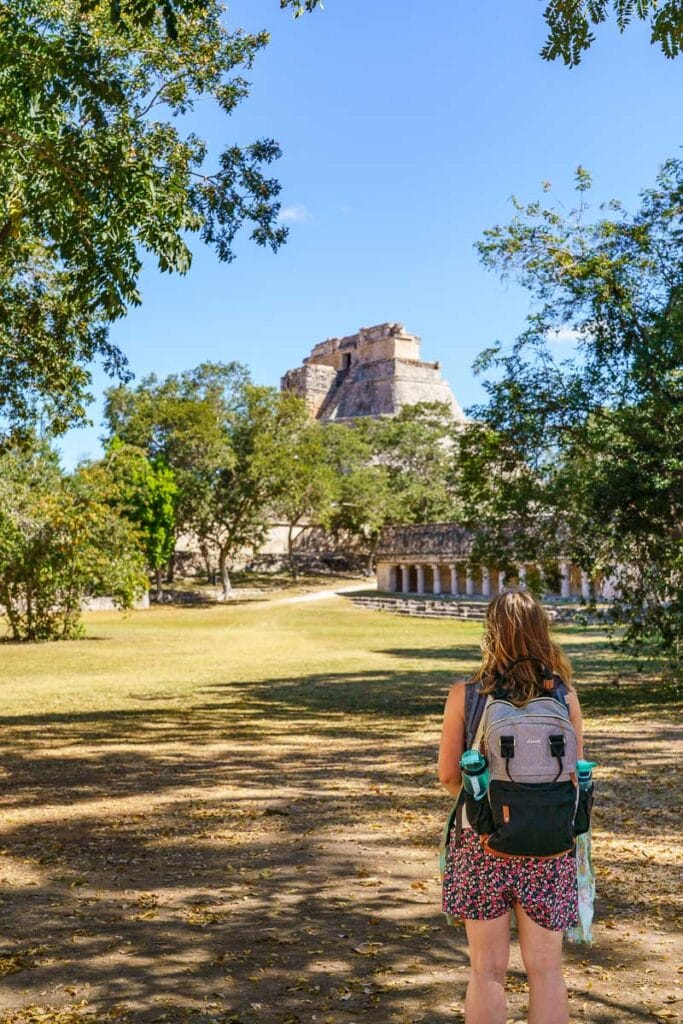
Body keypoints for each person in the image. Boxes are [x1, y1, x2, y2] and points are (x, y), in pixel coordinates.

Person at [437, 587, 584, 1024]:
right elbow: (573, 776)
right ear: (542, 632)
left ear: (491, 634)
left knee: (486, 971)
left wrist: (486, 806)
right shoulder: (565, 697)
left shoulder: (465, 695)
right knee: (547, 970)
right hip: (550, 845)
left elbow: (447, 775)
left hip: (481, 843)